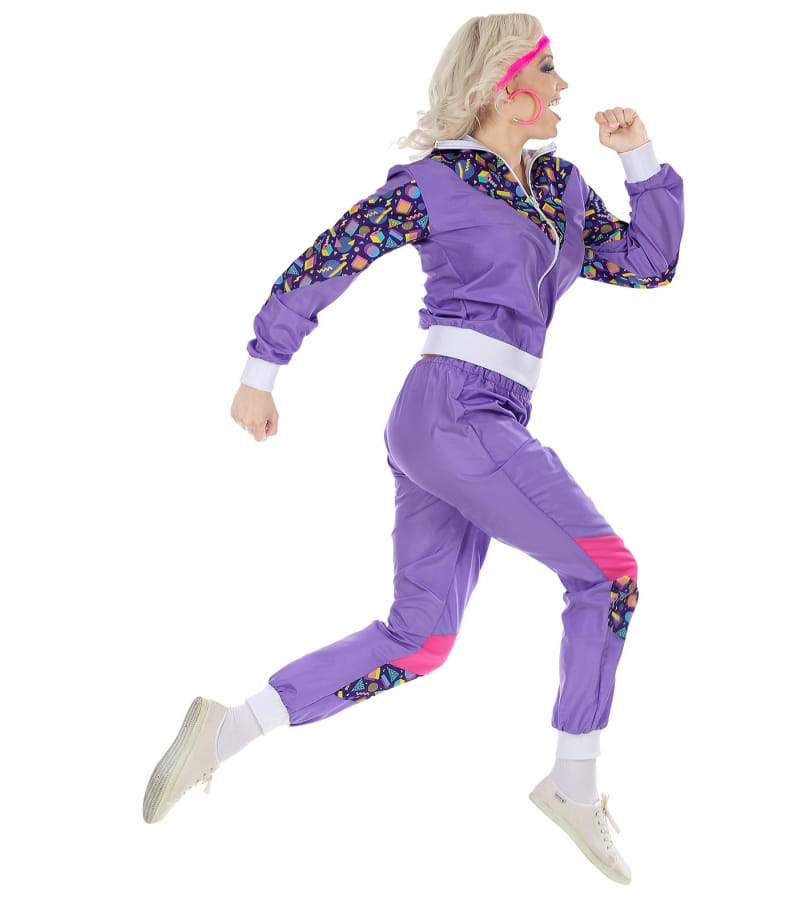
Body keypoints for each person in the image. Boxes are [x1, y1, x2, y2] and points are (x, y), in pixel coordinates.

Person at [142, 13, 683, 886]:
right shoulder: (435, 182)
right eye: (550, 70)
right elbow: (332, 257)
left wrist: (641, 161)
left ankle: (225, 729)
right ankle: (574, 784)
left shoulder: (560, 188)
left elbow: (650, 264)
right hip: (455, 412)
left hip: (481, 418)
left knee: (420, 639)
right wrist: (261, 370)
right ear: (504, 85)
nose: (564, 88)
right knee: (609, 574)